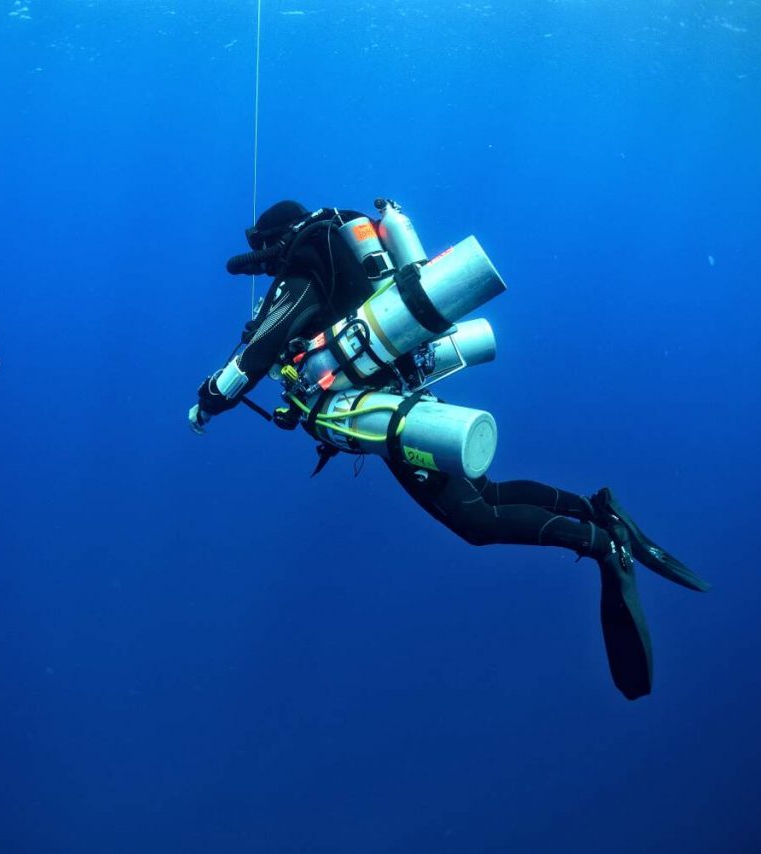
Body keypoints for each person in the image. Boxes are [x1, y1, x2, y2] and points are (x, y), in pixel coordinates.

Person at [190, 200, 709, 700]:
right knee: (486, 490)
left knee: (476, 522)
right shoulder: (337, 253)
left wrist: (207, 403)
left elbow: (254, 356)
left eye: (267, 253)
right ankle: (596, 507)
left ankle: (602, 542)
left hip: (380, 413)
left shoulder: (302, 272)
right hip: (402, 396)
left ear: (277, 242)